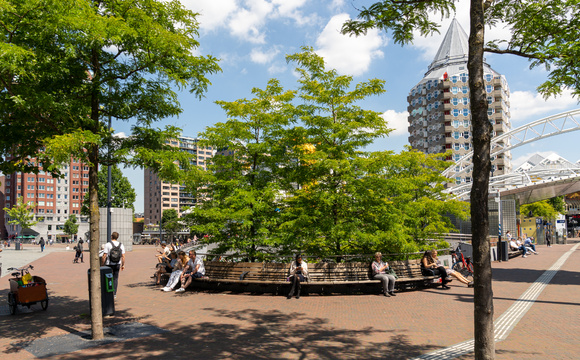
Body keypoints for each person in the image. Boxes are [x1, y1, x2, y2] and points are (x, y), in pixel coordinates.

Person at [101, 232, 126, 298]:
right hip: (117, 263)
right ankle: (114, 293)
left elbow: (104, 255)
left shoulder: (108, 244)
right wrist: (123, 265)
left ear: (111, 236)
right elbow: (123, 256)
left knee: (108, 277)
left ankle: (108, 290)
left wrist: (102, 264)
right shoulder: (121, 245)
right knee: (115, 278)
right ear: (117, 237)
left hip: (109, 264)